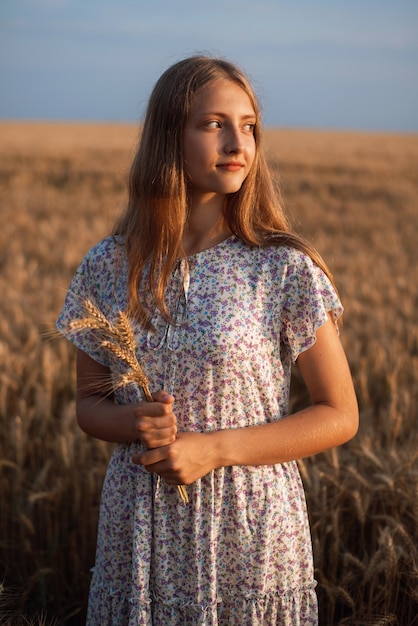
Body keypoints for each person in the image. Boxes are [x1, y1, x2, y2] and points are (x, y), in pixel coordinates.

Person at [57, 55, 358, 625]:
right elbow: (88, 406)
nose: (236, 140)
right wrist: (133, 423)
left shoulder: (281, 268)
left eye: (248, 126)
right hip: (139, 525)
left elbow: (340, 414)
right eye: (213, 123)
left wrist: (213, 449)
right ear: (170, 134)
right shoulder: (107, 266)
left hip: (248, 527)